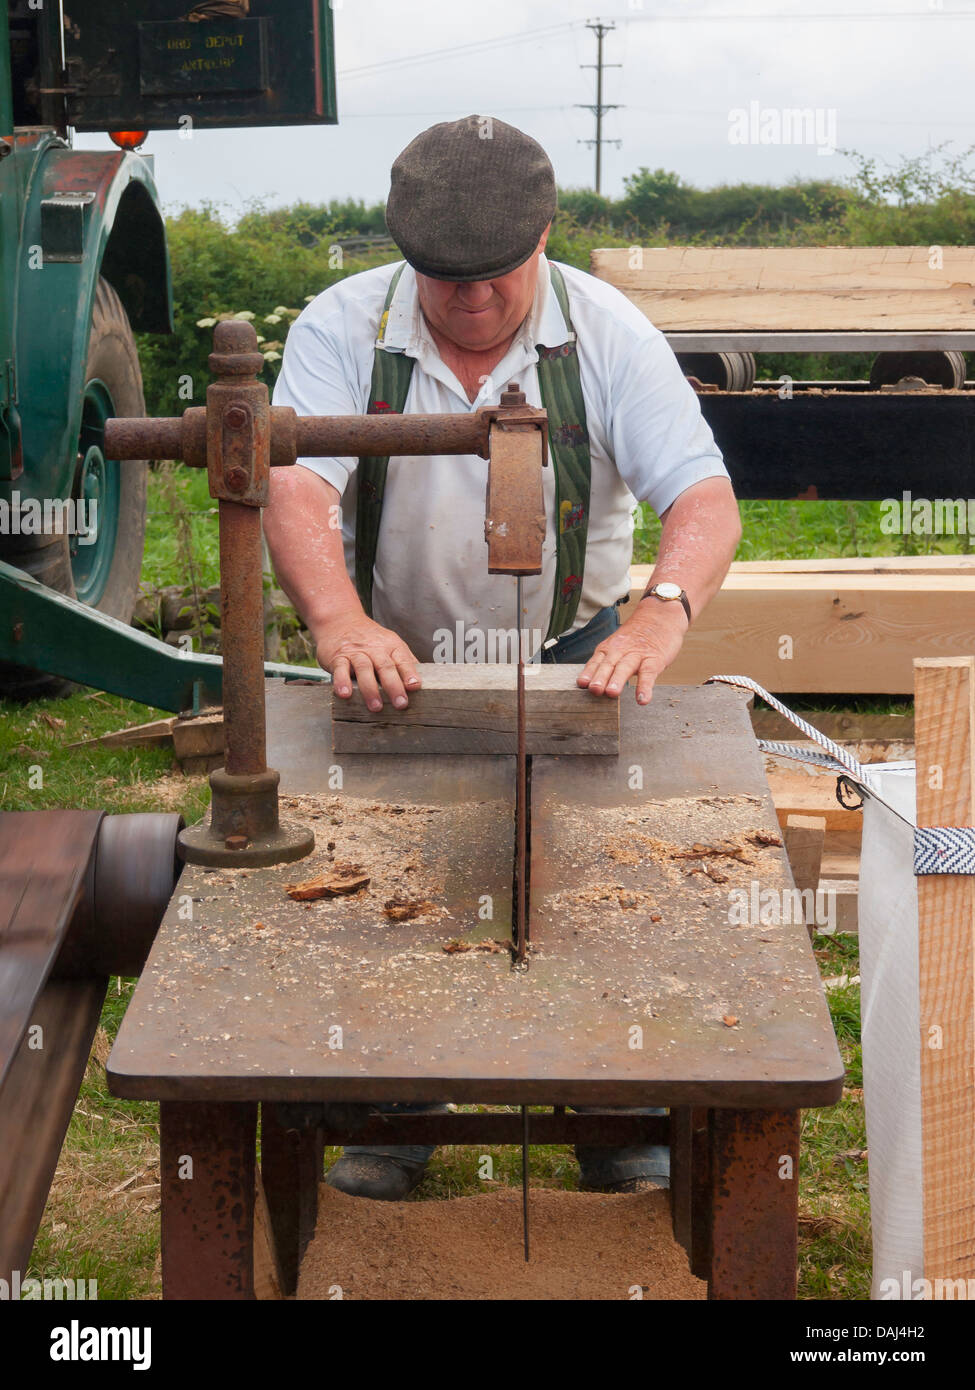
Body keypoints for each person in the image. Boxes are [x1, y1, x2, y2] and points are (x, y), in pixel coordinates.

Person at [263, 115, 741, 1200]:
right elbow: (293, 485)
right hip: (398, 662)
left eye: (495, 276)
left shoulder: (608, 332)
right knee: (392, 886)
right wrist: (338, 624)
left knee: (596, 892)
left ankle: (618, 1126)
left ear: (545, 234)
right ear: (404, 252)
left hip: (574, 656)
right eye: (444, 278)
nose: (470, 302)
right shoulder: (345, 327)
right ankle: (389, 1124)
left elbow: (702, 497)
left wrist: (661, 613)